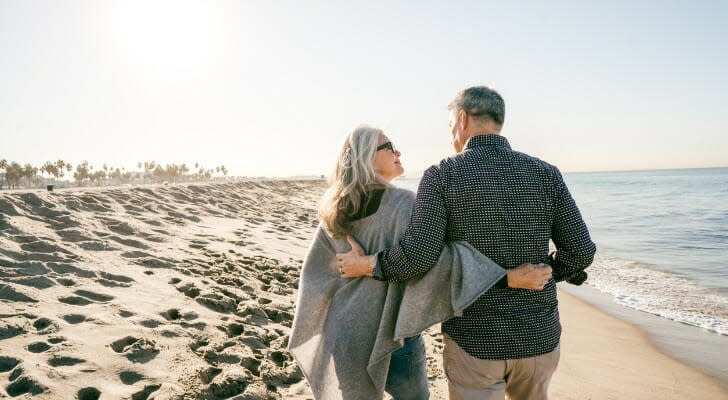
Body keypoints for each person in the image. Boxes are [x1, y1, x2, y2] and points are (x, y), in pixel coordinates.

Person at [338, 87, 596, 400]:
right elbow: (581, 251)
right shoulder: (545, 173)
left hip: (475, 340)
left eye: (450, 126)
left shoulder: (441, 175)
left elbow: (418, 257)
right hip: (538, 336)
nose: (451, 135)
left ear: (462, 119)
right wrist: (545, 274)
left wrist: (369, 265)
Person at [288, 125, 551, 400]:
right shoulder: (404, 204)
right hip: (392, 333)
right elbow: (436, 260)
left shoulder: (334, 207)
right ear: (366, 157)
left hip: (344, 331)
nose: (397, 152)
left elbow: (315, 273)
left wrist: (352, 276)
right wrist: (507, 276)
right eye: (388, 147)